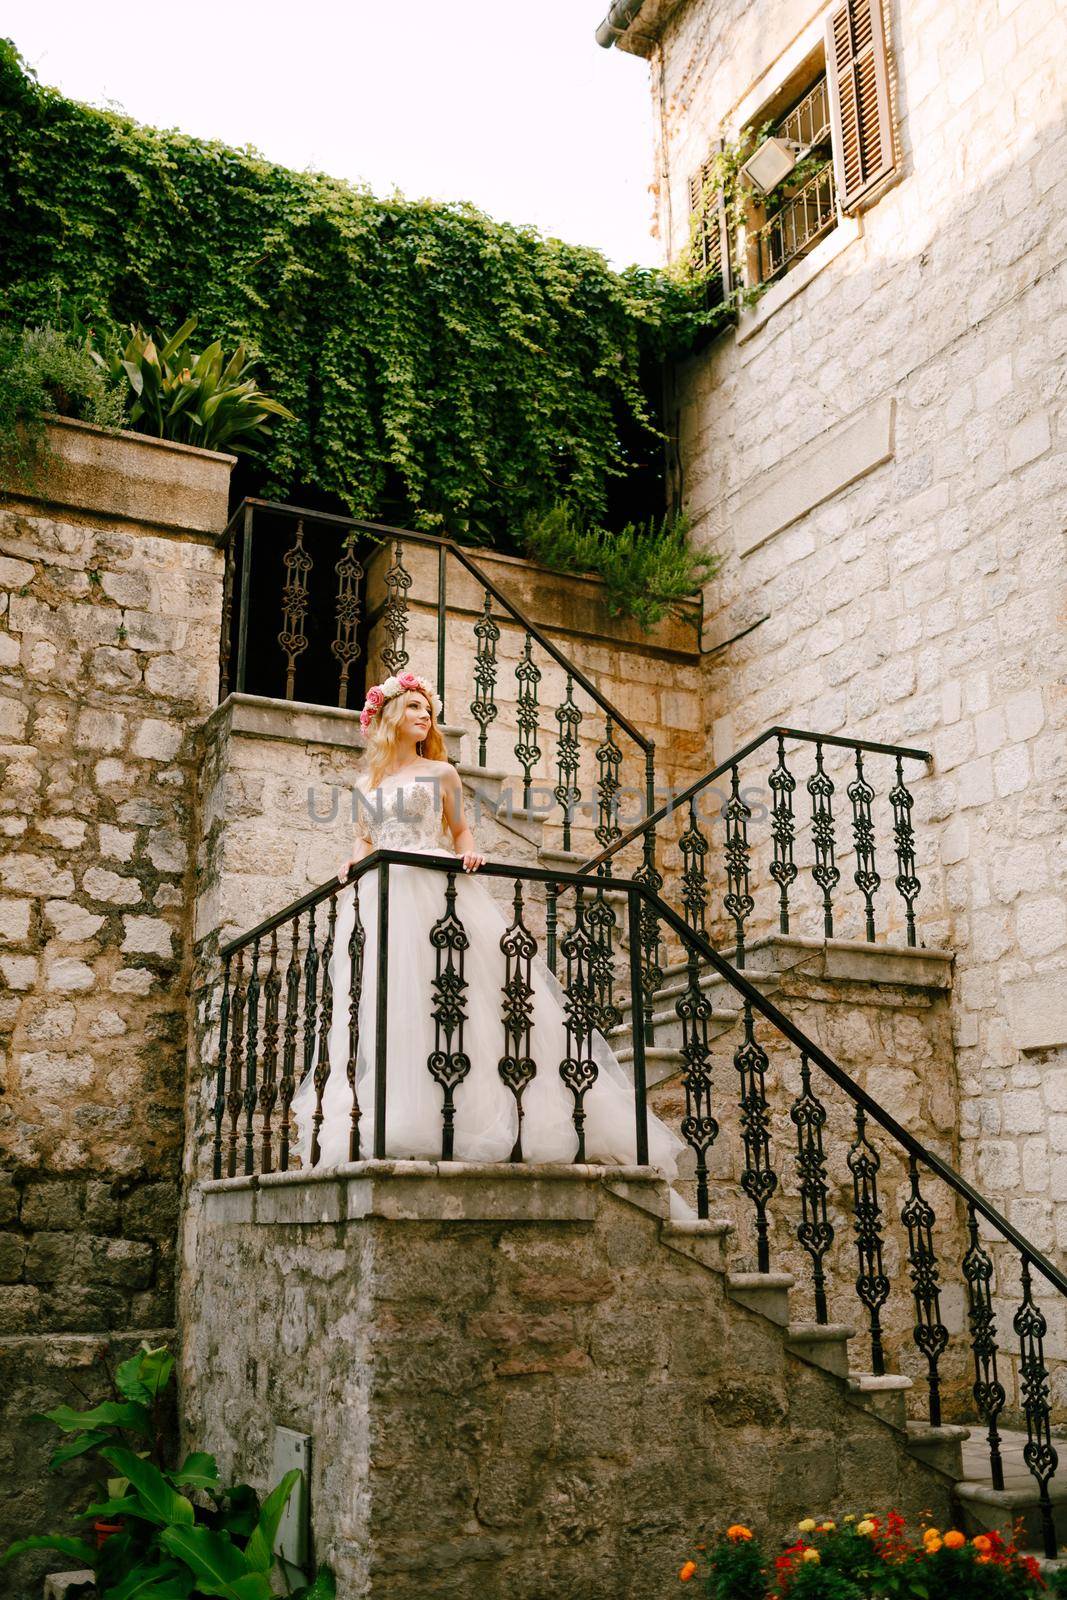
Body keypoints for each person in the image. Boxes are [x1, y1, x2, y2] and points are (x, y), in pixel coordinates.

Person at [290, 669, 686, 1185]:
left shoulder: (442, 774)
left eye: (427, 710)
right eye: (412, 707)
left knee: (453, 996)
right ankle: (396, 1110)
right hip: (381, 892)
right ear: (390, 716)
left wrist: (469, 850)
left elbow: (459, 829)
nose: (423, 715)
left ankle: (469, 1112)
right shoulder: (368, 782)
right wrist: (350, 864)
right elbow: (366, 837)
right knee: (389, 1000)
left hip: (432, 889)